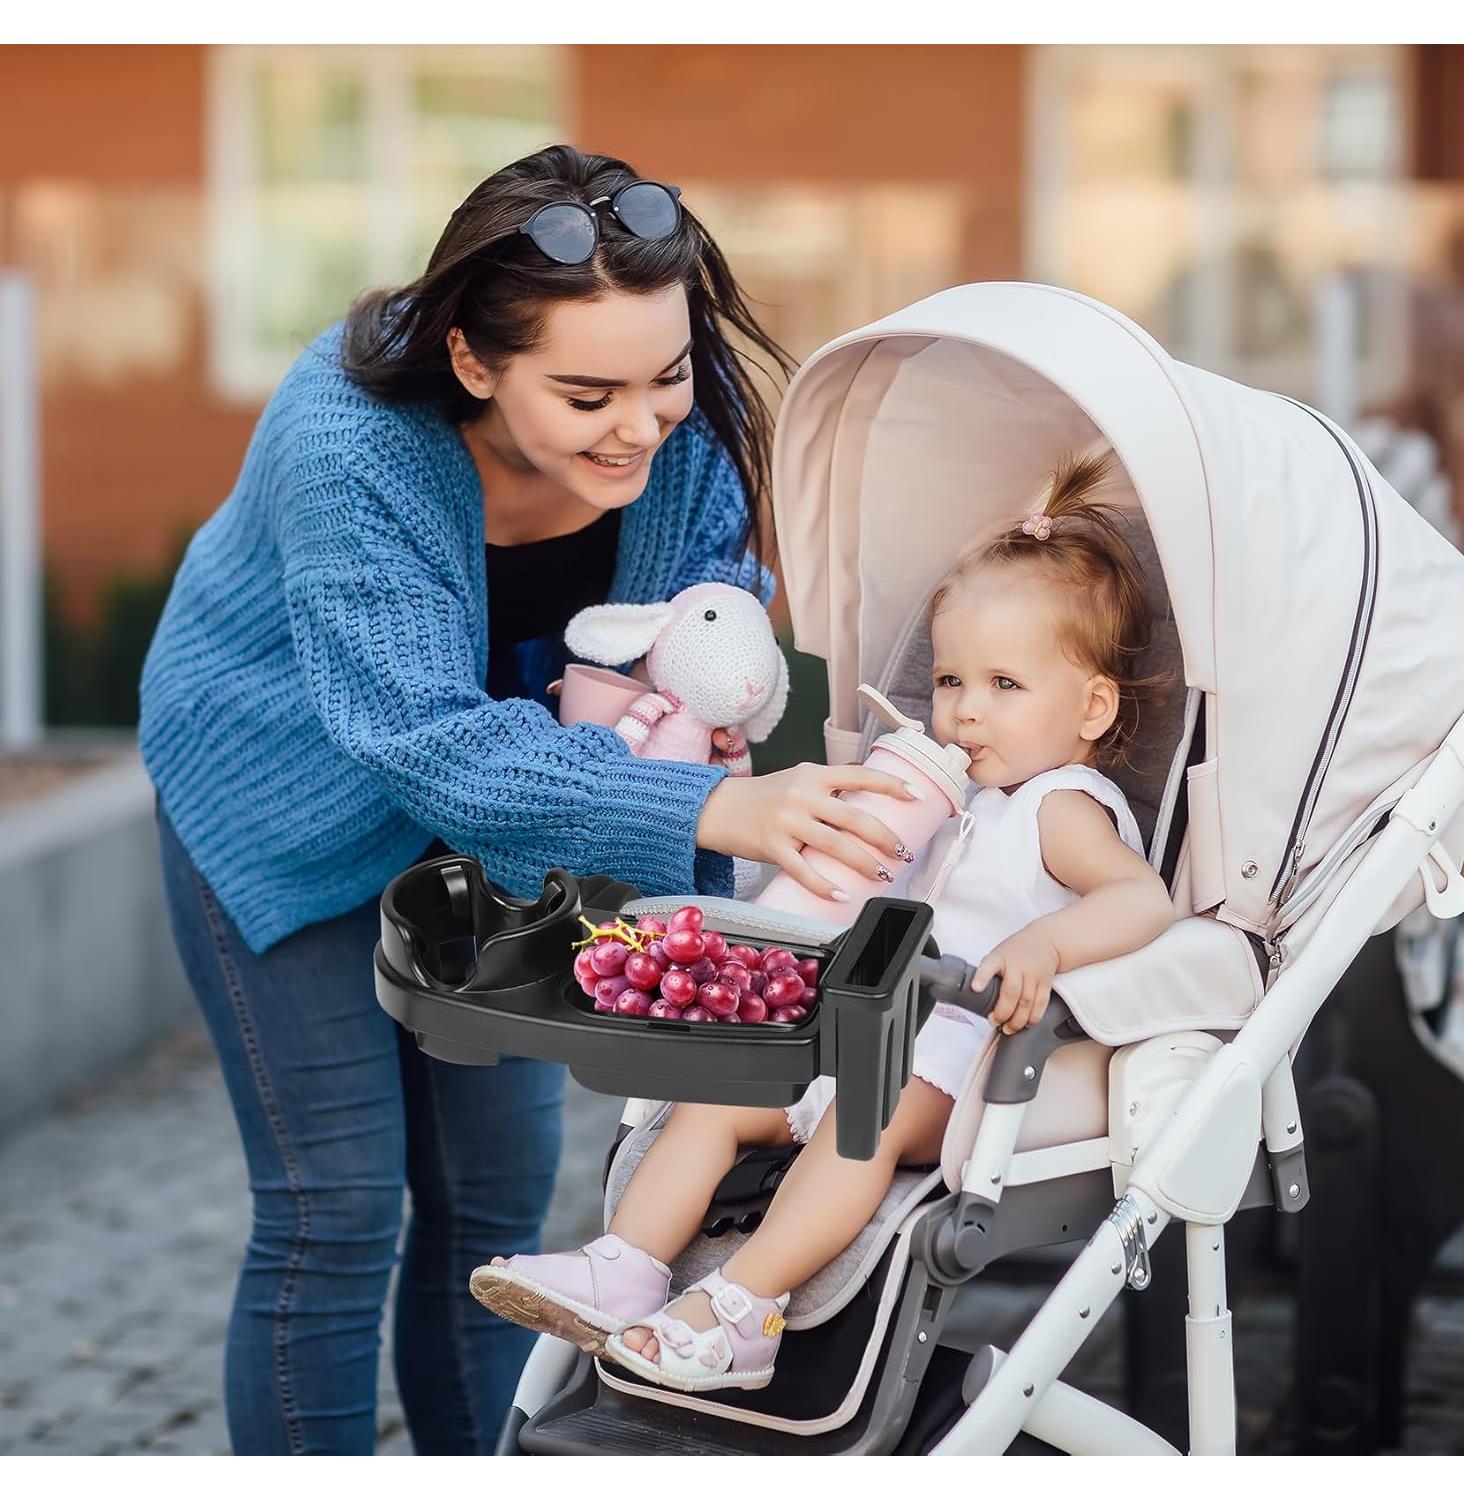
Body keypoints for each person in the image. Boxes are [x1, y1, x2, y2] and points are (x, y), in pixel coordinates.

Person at [138, 144, 917, 1454]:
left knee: (499, 1208)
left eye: (667, 374)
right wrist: (705, 817)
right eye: (587, 391)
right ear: (471, 360)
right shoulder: (347, 433)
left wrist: (717, 777)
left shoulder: (689, 420)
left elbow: (703, 648)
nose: (642, 421)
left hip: (521, 834)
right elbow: (422, 735)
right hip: (282, 809)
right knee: (333, 1209)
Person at [470, 452, 1176, 1394]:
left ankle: (742, 1308)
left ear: (1092, 706)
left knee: (860, 1124)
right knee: (717, 1104)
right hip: (848, 1025)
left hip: (950, 1056)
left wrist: (1043, 945)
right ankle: (626, 1264)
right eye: (954, 681)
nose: (965, 711)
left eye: (1006, 686)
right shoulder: (942, 791)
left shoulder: (1061, 804)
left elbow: (1143, 900)